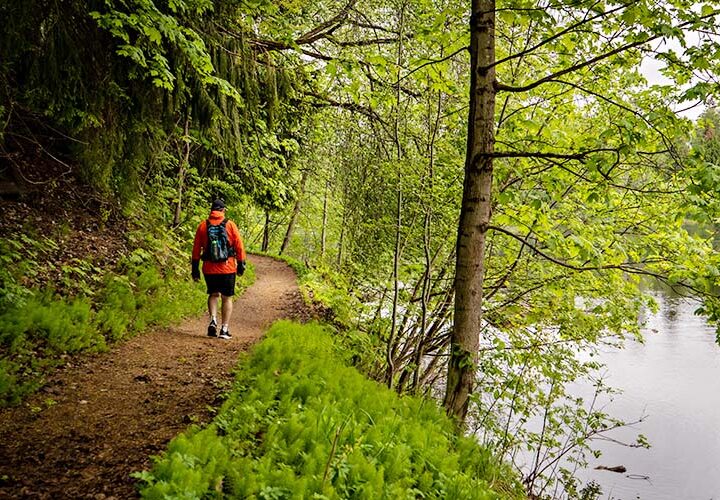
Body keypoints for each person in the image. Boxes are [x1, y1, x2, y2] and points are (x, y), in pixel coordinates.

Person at [191, 199, 246, 339]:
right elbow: (239, 246)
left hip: (209, 269)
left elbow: (196, 249)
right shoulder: (230, 225)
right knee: (227, 298)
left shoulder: (203, 226)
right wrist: (241, 264)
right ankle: (224, 330)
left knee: (213, 295)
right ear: (223, 210)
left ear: (211, 210)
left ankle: (213, 321)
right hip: (227, 268)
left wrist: (195, 269)